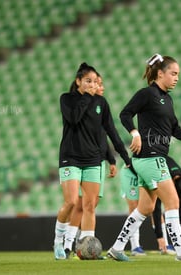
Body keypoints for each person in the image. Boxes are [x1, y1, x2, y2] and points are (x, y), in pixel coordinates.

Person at [107, 53, 181, 262]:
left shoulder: (167, 99)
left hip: (146, 160)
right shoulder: (147, 94)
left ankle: (116, 249)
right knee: (173, 201)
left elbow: (174, 129)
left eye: (178, 74)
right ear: (160, 73)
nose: (177, 78)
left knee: (146, 208)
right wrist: (134, 133)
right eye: (173, 73)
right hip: (151, 158)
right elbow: (125, 114)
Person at [53, 62, 132, 260]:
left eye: (95, 81)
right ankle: (58, 242)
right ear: (78, 81)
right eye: (88, 81)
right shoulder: (67, 99)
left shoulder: (101, 104)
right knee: (71, 202)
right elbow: (73, 118)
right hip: (70, 158)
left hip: (93, 161)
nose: (92, 84)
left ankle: (87, 248)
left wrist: (121, 157)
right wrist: (87, 96)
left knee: (89, 205)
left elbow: (110, 131)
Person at [62, 73, 118, 258]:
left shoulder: (101, 108)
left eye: (100, 84)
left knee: (90, 205)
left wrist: (111, 159)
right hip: (86, 160)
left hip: (97, 162)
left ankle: (82, 245)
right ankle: (70, 243)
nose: (99, 87)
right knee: (81, 205)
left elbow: (105, 139)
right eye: (95, 83)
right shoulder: (87, 106)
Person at [151, 155, 181, 254]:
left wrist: (180, 238)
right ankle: (136, 246)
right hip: (148, 172)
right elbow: (156, 209)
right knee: (149, 208)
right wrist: (159, 236)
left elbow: (180, 210)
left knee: (171, 207)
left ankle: (171, 245)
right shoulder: (163, 176)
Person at [119, 165, 146, 256]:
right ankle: (135, 246)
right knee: (134, 207)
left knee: (146, 207)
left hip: (145, 171)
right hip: (131, 170)